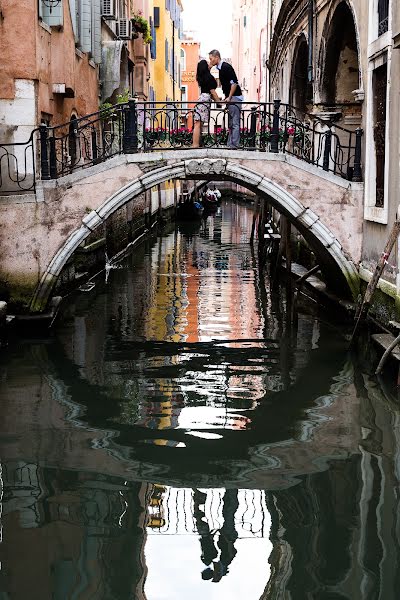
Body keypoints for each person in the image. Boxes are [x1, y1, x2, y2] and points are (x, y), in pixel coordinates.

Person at [208, 50, 243, 149]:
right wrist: (227, 97)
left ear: (216, 57)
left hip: (235, 98)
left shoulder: (226, 67)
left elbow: (234, 83)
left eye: (211, 59)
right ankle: (230, 145)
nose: (210, 61)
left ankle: (234, 145)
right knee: (231, 123)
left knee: (234, 123)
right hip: (232, 98)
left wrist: (229, 97)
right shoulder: (221, 68)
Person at [192, 59, 221, 148]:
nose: (209, 64)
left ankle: (197, 144)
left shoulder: (202, 77)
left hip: (202, 99)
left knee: (198, 123)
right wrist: (219, 103)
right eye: (207, 63)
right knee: (198, 123)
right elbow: (212, 92)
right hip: (205, 100)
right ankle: (195, 145)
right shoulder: (209, 78)